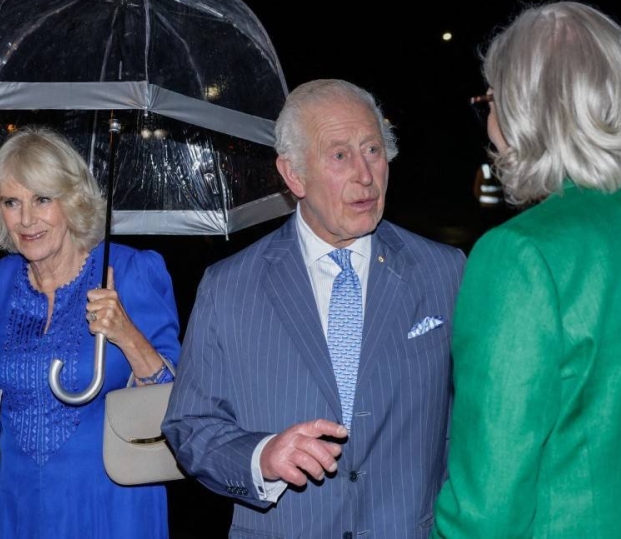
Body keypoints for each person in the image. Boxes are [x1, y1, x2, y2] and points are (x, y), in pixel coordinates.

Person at [431, 1, 621, 538]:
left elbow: (487, 506)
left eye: (493, 100)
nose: (491, 123)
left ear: (527, 109)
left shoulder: (519, 255)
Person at [162, 79, 466, 538]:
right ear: (294, 175)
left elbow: (471, 421)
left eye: (373, 150)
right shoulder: (229, 285)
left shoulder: (444, 271)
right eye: (340, 156)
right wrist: (261, 457)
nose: (366, 176)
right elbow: (189, 425)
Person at [0, 126, 181, 538]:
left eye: (42, 199)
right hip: (21, 505)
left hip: (112, 506)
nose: (26, 220)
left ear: (73, 201)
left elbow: (178, 401)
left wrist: (127, 334)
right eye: (11, 202)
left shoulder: (129, 272)